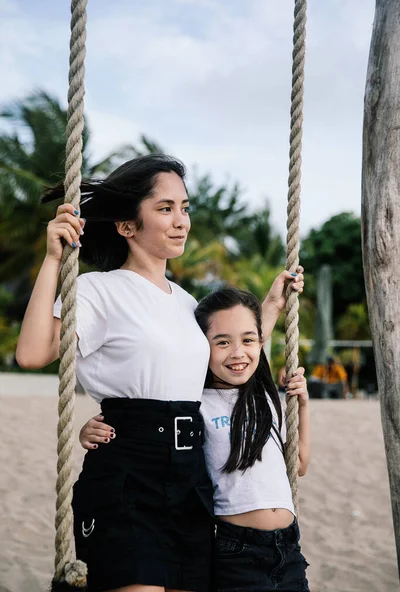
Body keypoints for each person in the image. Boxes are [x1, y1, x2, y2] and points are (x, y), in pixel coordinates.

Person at [16, 154, 304, 592]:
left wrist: (270, 307)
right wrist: (54, 261)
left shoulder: (189, 304)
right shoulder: (98, 290)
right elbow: (33, 354)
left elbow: (229, 366)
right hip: (130, 470)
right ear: (127, 225)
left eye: (184, 208)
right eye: (165, 209)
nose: (181, 221)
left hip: (191, 476)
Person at [81, 287, 311, 592]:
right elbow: (152, 413)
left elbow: (298, 465)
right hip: (235, 550)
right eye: (222, 343)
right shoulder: (195, 401)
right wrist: (92, 428)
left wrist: (303, 407)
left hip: (289, 548)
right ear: (202, 349)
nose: (238, 352)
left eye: (247, 341)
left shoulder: (263, 398)